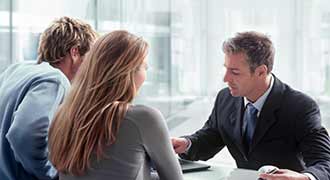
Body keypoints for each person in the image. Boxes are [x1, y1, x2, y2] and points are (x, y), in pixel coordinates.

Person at [172, 31, 330, 180]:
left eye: (234, 72)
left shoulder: (300, 107)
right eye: (226, 69)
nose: (225, 78)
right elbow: (212, 136)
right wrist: (186, 144)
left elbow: (324, 162)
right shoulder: (225, 98)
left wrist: (305, 177)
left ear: (261, 72)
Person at [48, 30, 184, 180]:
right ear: (127, 72)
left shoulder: (62, 115)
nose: (146, 73)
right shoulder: (144, 118)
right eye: (144, 67)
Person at [0, 17, 97, 180]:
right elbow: (23, 137)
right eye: (89, 58)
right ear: (75, 52)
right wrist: (51, 174)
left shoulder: (17, 70)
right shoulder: (55, 80)